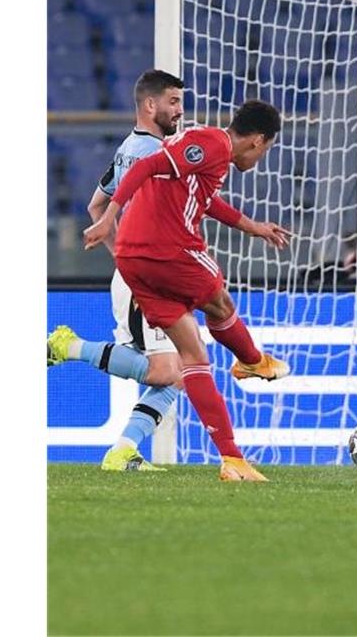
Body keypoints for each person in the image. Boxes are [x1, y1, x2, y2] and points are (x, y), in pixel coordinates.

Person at [83, 99, 292, 482]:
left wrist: (254, 226)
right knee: (220, 302)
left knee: (190, 360)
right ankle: (251, 360)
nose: (262, 158)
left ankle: (233, 460)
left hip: (133, 258)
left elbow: (206, 201)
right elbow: (147, 167)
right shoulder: (211, 144)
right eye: (267, 150)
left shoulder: (206, 155)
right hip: (166, 249)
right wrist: (108, 218)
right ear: (259, 141)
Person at [48, 70, 188, 471]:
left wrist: (122, 256)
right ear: (150, 105)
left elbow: (97, 207)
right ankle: (69, 347)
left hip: (137, 272)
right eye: (173, 102)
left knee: (172, 372)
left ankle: (124, 451)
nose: (180, 110)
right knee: (169, 368)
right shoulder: (152, 156)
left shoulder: (129, 147)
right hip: (147, 276)